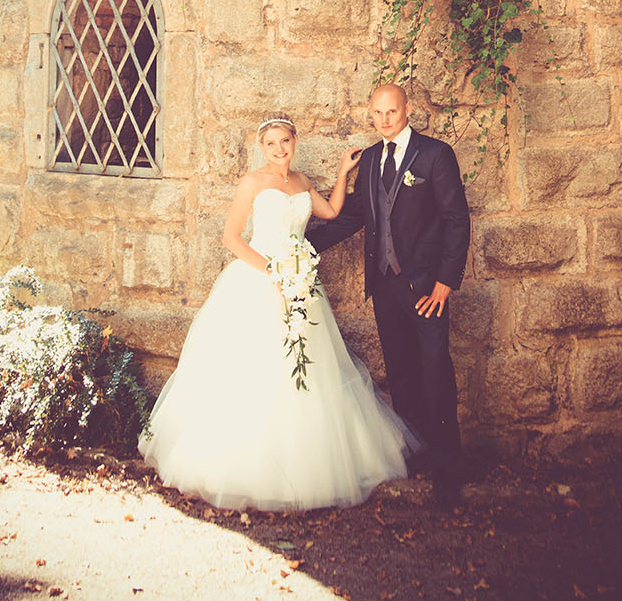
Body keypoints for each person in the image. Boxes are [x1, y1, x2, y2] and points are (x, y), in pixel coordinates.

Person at [138, 114, 417, 511]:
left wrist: (342, 174)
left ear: (294, 141)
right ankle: (248, 469)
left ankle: (307, 467)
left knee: (306, 371)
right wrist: (274, 271)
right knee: (257, 370)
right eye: (271, 144)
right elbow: (231, 238)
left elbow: (332, 213)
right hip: (260, 280)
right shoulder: (252, 183)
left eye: (284, 141)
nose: (279, 150)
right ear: (262, 147)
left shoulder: (301, 182)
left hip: (299, 284)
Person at [307, 83, 471, 506]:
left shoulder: (436, 156)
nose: (384, 120)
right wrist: (302, 244)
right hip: (384, 286)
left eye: (391, 112)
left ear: (408, 110)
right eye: (377, 113)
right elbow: (359, 216)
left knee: (436, 370)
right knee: (400, 371)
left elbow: (456, 220)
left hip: (425, 286)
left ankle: (448, 467)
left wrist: (445, 282)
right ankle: (415, 451)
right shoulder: (371, 158)